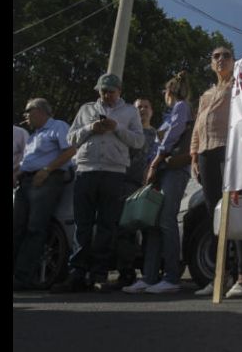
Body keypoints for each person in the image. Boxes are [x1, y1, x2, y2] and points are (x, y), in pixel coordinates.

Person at [51, 73, 144, 293]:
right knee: (82, 224)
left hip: (114, 173)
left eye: (111, 91)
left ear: (120, 91)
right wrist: (90, 128)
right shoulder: (86, 109)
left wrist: (116, 128)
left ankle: (99, 273)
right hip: (86, 170)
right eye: (103, 91)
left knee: (106, 224)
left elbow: (138, 141)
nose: (107, 95)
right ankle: (77, 272)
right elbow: (70, 138)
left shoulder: (130, 111)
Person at [190, 46, 242, 299]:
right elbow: (197, 128)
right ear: (211, 64)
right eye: (216, 56)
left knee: (236, 209)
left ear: (234, 62)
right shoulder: (206, 95)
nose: (221, 59)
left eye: (226, 55)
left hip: (232, 151)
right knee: (217, 215)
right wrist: (194, 156)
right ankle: (220, 277)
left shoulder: (240, 86)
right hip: (206, 154)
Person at [124, 72, 194, 294]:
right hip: (160, 170)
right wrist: (151, 166)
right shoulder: (166, 115)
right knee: (152, 224)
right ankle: (149, 276)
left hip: (173, 169)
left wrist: (155, 161)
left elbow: (173, 135)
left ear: (168, 92)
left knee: (166, 220)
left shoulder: (181, 107)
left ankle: (172, 276)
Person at [13, 98, 76, 290]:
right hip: (25, 181)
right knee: (17, 228)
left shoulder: (58, 126)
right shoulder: (34, 136)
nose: (25, 116)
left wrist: (47, 170)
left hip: (46, 181)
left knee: (35, 228)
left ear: (39, 111)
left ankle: (22, 278)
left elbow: (70, 150)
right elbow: (29, 161)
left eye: (27, 111)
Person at [102, 97, 158, 291]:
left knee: (147, 230)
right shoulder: (126, 133)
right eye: (138, 107)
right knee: (124, 230)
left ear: (152, 110)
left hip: (146, 185)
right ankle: (126, 272)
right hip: (123, 182)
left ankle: (150, 272)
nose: (142, 110)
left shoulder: (158, 135)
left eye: (145, 106)